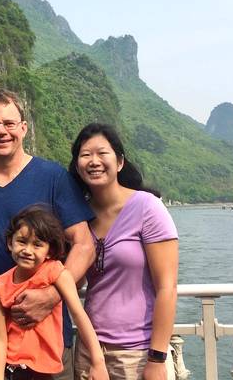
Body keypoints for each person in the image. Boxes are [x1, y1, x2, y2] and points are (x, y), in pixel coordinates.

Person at [0, 89, 96, 380]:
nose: (1, 131)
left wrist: (52, 295)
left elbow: (84, 245)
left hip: (44, 338)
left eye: (9, 123)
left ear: (23, 128)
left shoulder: (52, 178)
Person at [68, 123, 179, 380]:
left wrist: (157, 358)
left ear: (119, 162)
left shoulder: (147, 208)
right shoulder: (79, 217)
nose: (94, 161)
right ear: (76, 166)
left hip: (138, 354)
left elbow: (167, 287)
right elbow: (78, 280)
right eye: (85, 155)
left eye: (102, 153)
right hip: (90, 352)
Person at [0, 205, 109, 380]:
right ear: (10, 243)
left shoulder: (55, 272)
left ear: (49, 251)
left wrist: (98, 362)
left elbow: (79, 315)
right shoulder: (0, 284)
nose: (27, 250)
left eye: (37, 245)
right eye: (21, 241)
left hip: (47, 372)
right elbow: (0, 338)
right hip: (13, 369)